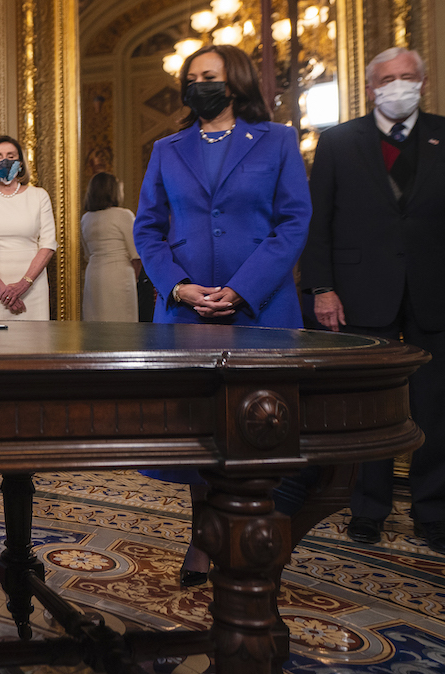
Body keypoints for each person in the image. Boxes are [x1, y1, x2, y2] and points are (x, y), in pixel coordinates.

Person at [133, 44, 312, 585]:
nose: (197, 86)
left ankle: (260, 535)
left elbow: (293, 222)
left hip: (262, 311)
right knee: (200, 435)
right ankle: (202, 539)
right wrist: (179, 287)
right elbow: (148, 229)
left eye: (206, 76)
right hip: (187, 315)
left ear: (232, 81)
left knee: (260, 427)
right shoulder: (167, 148)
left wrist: (240, 289)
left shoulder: (277, 140)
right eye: (190, 78)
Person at [301, 47, 445, 554]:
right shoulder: (339, 141)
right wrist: (321, 287)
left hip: (433, 290)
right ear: (370, 88)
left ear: (423, 83)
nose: (398, 85)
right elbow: (319, 222)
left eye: (408, 77)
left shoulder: (442, 134)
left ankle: (433, 511)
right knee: (371, 407)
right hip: (361, 291)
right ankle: (367, 509)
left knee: (434, 406)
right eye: (388, 78)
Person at [0, 136, 56, 321]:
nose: (4, 161)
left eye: (10, 156)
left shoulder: (39, 196)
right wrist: (3, 291)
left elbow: (48, 245)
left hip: (32, 287)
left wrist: (24, 284)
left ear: (20, 163)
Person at [81, 172, 141, 322]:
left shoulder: (86, 218)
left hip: (93, 275)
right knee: (122, 325)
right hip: (119, 276)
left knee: (96, 324)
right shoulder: (124, 215)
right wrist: (135, 280)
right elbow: (136, 255)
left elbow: (87, 254)